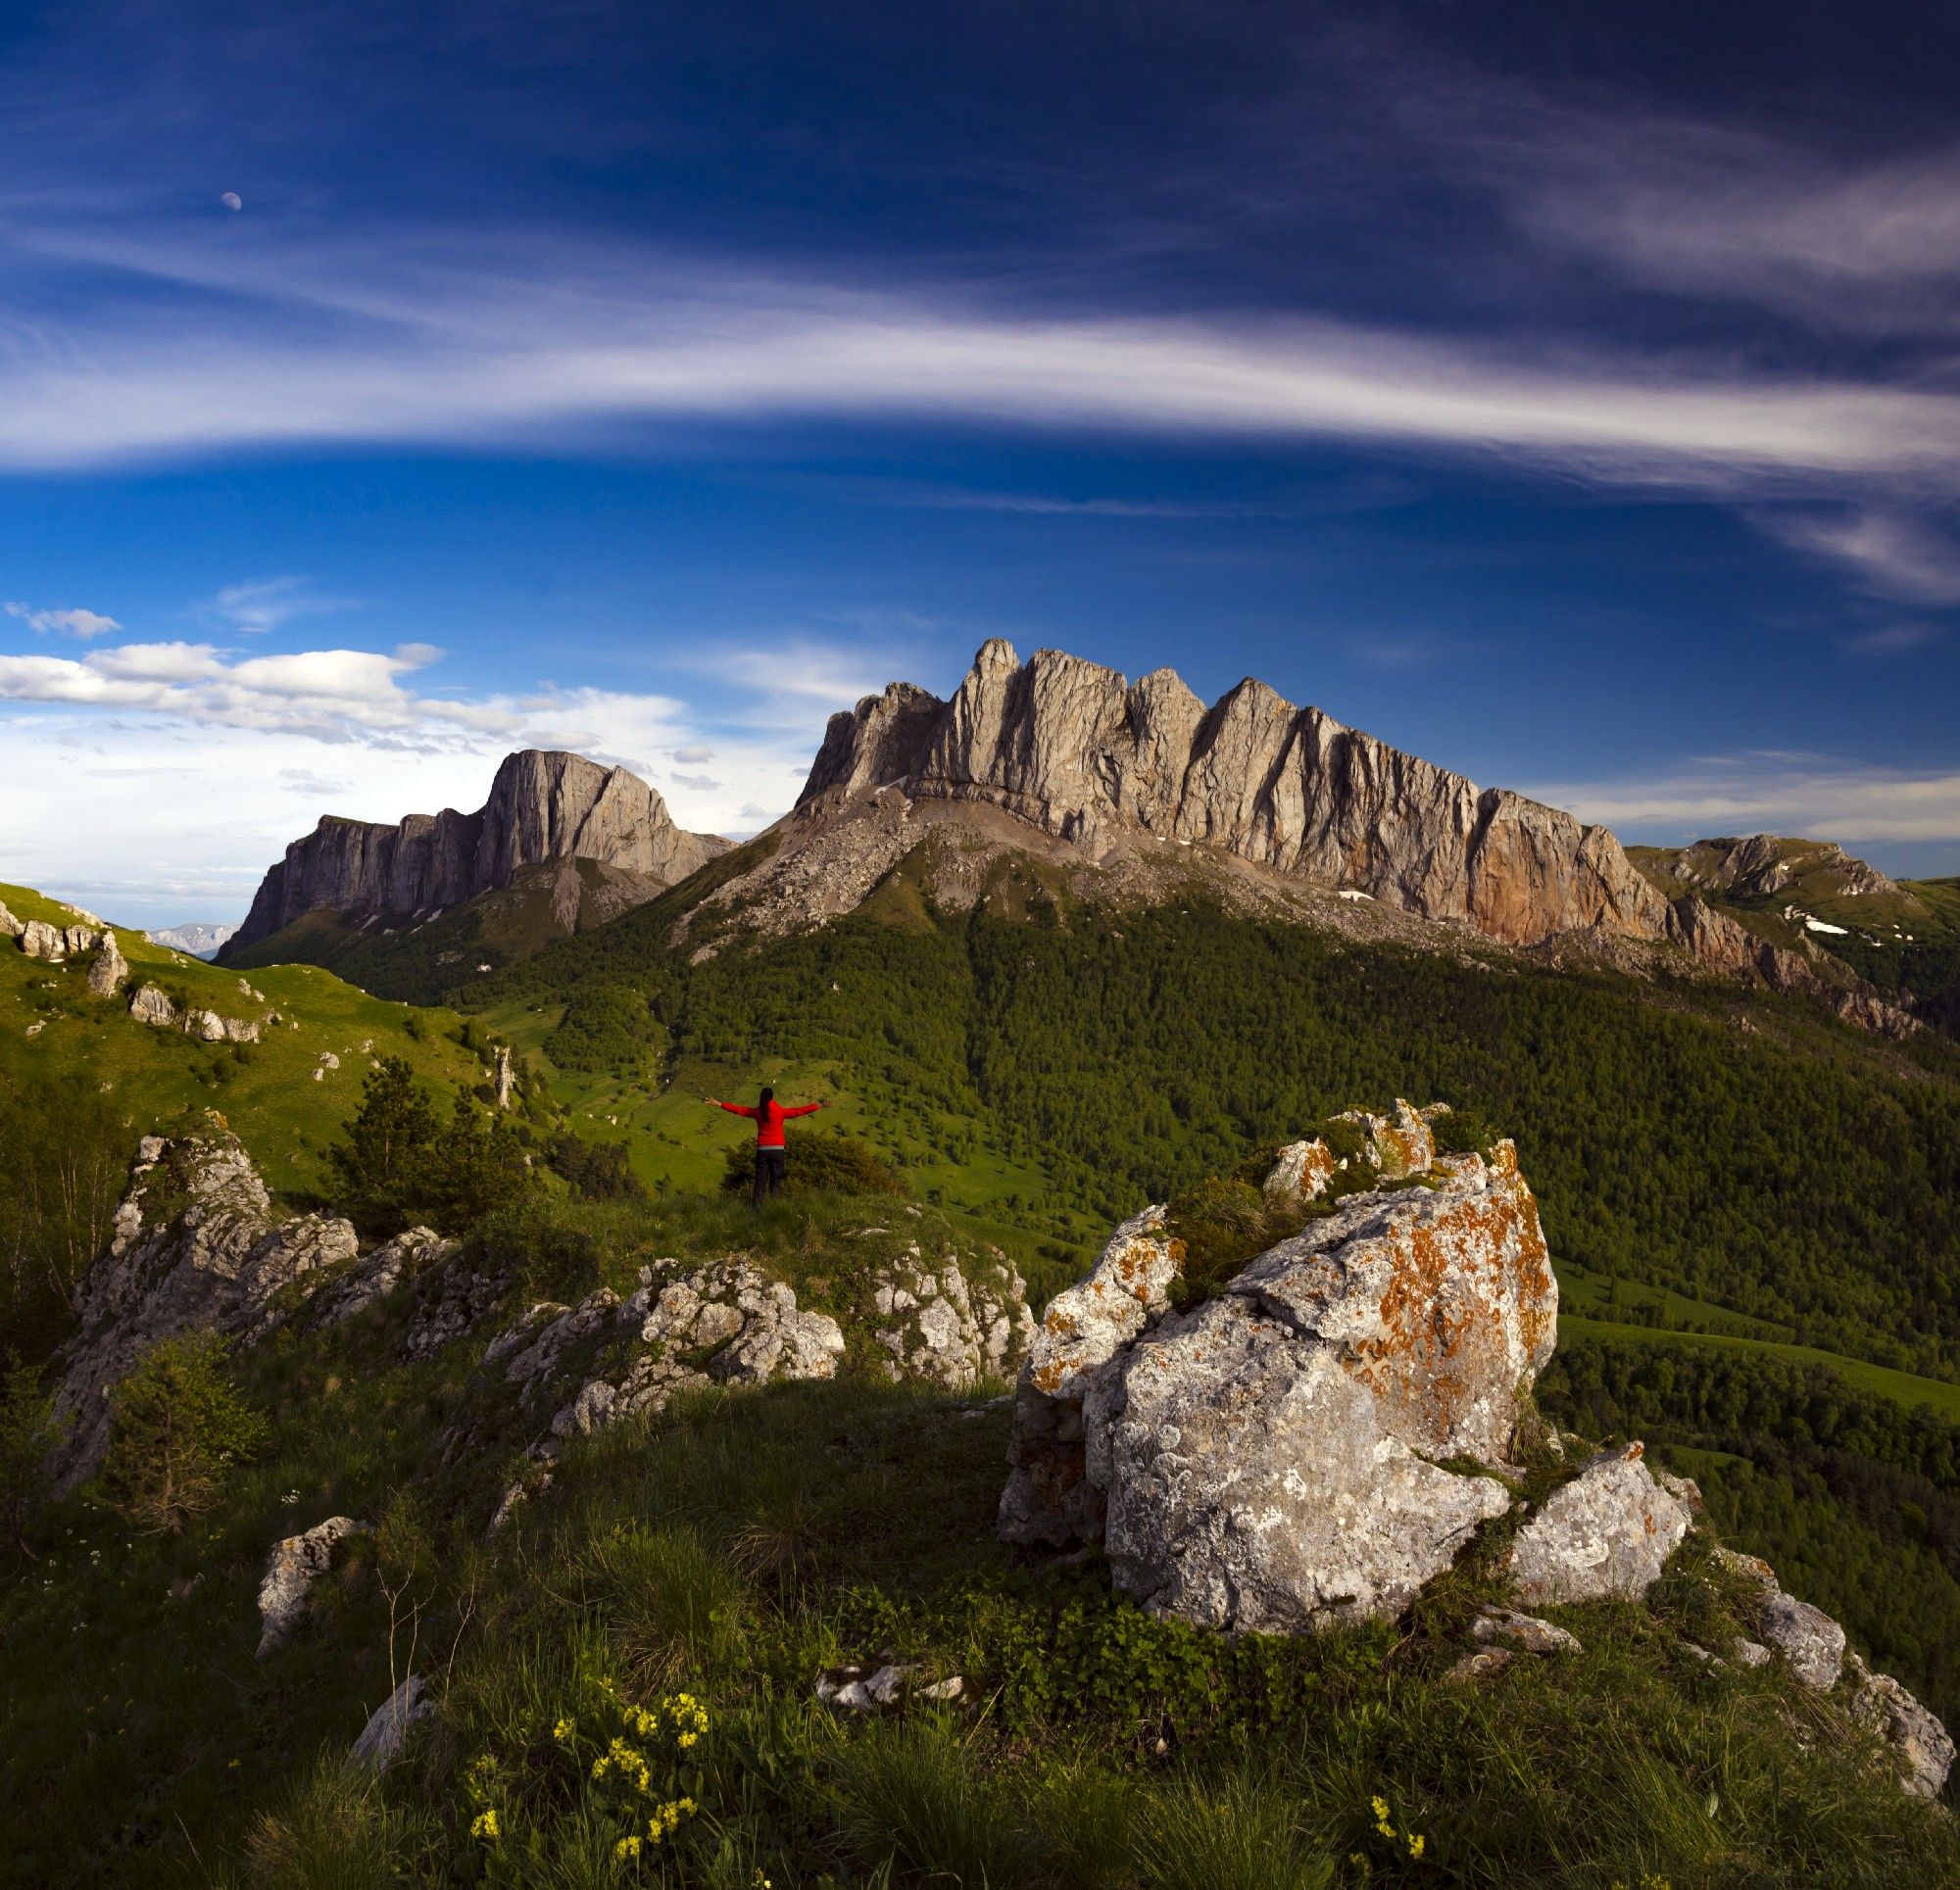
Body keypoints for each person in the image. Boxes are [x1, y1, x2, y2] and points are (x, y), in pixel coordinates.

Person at [706, 1086, 824, 1205]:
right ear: (772, 1097)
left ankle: (757, 1208)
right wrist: (819, 1106)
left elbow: (739, 1110)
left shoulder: (758, 1112)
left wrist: (720, 1104)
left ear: (761, 1097)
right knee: (776, 1180)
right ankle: (774, 1207)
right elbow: (799, 1111)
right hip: (778, 1150)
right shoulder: (780, 1112)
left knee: (761, 1180)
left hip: (763, 1150)